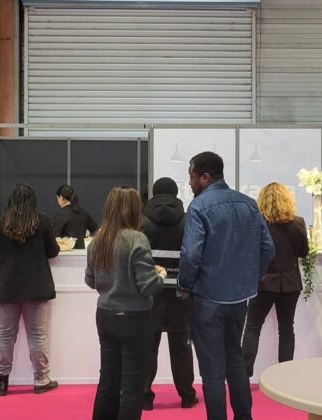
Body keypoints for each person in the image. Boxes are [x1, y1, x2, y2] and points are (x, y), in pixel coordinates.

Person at [178, 152, 275, 420]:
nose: (190, 182)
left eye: (192, 177)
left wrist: (184, 285)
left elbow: (190, 255)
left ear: (205, 177)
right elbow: (268, 248)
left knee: (212, 369)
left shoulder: (198, 207)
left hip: (206, 296)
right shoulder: (248, 204)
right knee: (235, 360)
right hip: (240, 297)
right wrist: (252, 277)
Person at [85, 186, 166, 420]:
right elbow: (149, 286)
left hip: (105, 314)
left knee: (108, 380)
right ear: (134, 210)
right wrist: (160, 274)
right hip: (135, 317)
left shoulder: (98, 239)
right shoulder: (137, 239)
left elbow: (90, 280)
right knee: (132, 384)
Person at [0, 183, 61, 396]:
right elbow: (53, 251)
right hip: (36, 286)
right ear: (33, 201)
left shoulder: (0, 222)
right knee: (37, 335)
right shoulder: (42, 222)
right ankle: (41, 379)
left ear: (11, 200)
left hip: (7, 286)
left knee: (6, 334)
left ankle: (2, 381)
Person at [140, 177, 198, 411]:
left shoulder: (142, 221)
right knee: (181, 347)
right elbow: (193, 255)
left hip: (150, 292)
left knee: (147, 346)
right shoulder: (187, 221)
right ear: (175, 194)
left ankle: (144, 397)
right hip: (180, 292)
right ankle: (187, 396)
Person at [241, 182, 308, 376]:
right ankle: (284, 375)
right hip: (290, 282)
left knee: (252, 328)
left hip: (263, 282)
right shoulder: (299, 222)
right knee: (286, 329)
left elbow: (249, 252)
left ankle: (244, 374)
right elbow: (303, 252)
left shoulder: (257, 223)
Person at [53, 184, 98, 249]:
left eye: (57, 198)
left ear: (61, 198)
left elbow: (54, 236)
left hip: (67, 252)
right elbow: (95, 229)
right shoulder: (83, 212)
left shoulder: (59, 214)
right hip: (82, 252)